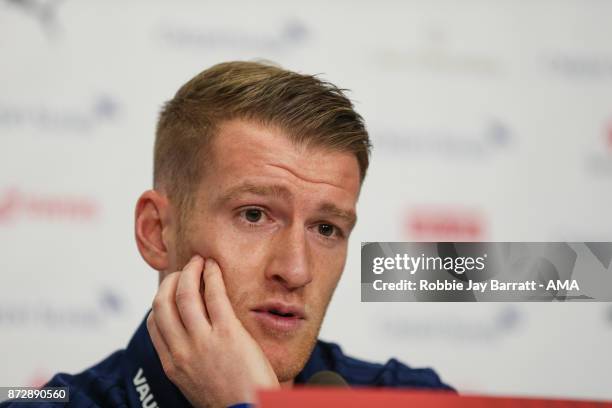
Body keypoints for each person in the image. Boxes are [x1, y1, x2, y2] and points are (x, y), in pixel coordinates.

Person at [1, 61, 453, 408]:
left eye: (325, 228)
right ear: (156, 232)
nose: (295, 270)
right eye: (254, 215)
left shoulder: (411, 397)